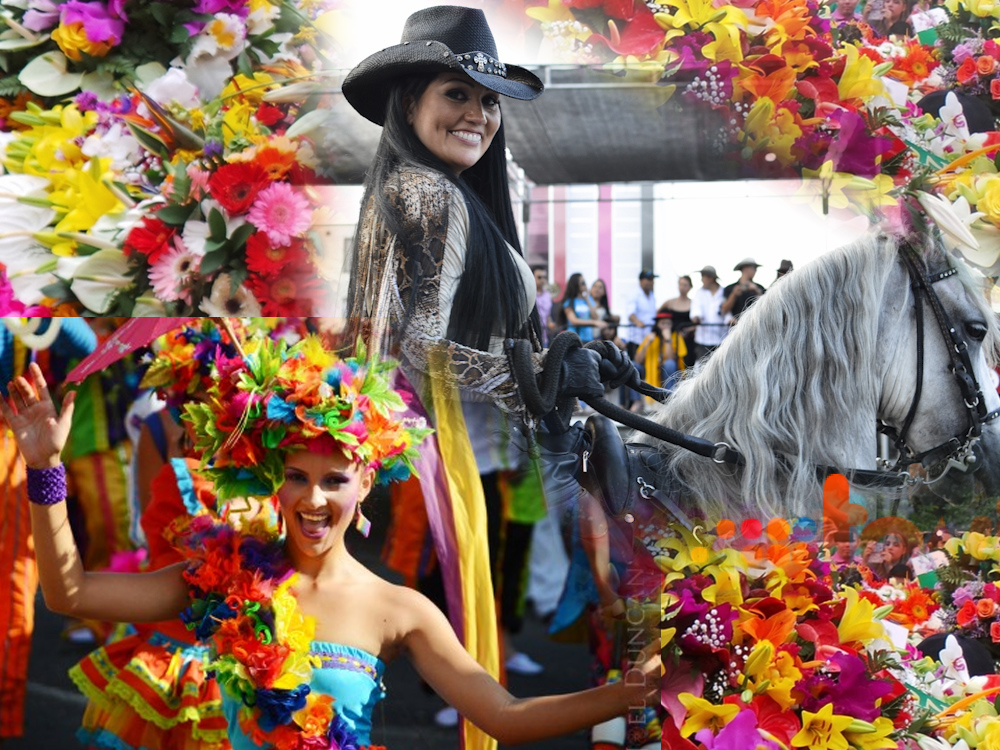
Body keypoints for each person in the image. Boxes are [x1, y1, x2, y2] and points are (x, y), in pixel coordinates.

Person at [0, 338, 660, 750]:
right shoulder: (223, 575)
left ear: (366, 481)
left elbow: (506, 714)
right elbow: (69, 592)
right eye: (295, 478)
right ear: (274, 481)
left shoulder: (399, 610)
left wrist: (623, 695)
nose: (312, 500)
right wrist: (44, 471)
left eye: (334, 481)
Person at [634, 311, 686, 402]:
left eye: (668, 324)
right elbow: (638, 360)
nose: (666, 326)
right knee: (633, 366)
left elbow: (670, 358)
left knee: (670, 364)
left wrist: (668, 340)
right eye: (663, 323)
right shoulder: (650, 337)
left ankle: (669, 398)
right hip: (651, 370)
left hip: (670, 371)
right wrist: (647, 343)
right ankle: (636, 401)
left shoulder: (676, 336)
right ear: (657, 325)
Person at [689, 265, 729, 363]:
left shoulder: (724, 292)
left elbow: (728, 311)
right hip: (703, 339)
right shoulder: (699, 293)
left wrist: (729, 319)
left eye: (703, 277)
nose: (702, 280)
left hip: (721, 339)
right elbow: (696, 310)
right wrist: (696, 317)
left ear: (710, 278)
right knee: (702, 367)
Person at [659, 275, 694, 368]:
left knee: (686, 364)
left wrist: (688, 330)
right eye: (680, 284)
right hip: (672, 338)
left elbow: (697, 323)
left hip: (687, 340)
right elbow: (659, 315)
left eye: (685, 285)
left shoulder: (693, 303)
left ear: (690, 287)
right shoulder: (670, 303)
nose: (682, 287)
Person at [560, 273, 603, 343]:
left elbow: (595, 316)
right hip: (574, 337)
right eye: (583, 283)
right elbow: (573, 320)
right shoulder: (569, 302)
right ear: (576, 285)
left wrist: (587, 299)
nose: (585, 285)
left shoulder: (588, 300)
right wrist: (593, 322)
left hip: (588, 337)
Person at [721, 257, 766, 323]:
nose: (755, 271)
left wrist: (757, 291)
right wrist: (734, 295)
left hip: (755, 327)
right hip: (736, 328)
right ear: (745, 268)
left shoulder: (759, 287)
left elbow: (767, 307)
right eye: (754, 268)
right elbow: (724, 310)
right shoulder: (730, 288)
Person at [532, 265, 556, 347]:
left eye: (544, 277)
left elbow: (547, 315)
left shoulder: (547, 295)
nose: (542, 280)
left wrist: (551, 324)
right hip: (531, 336)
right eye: (539, 277)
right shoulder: (530, 294)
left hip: (544, 336)